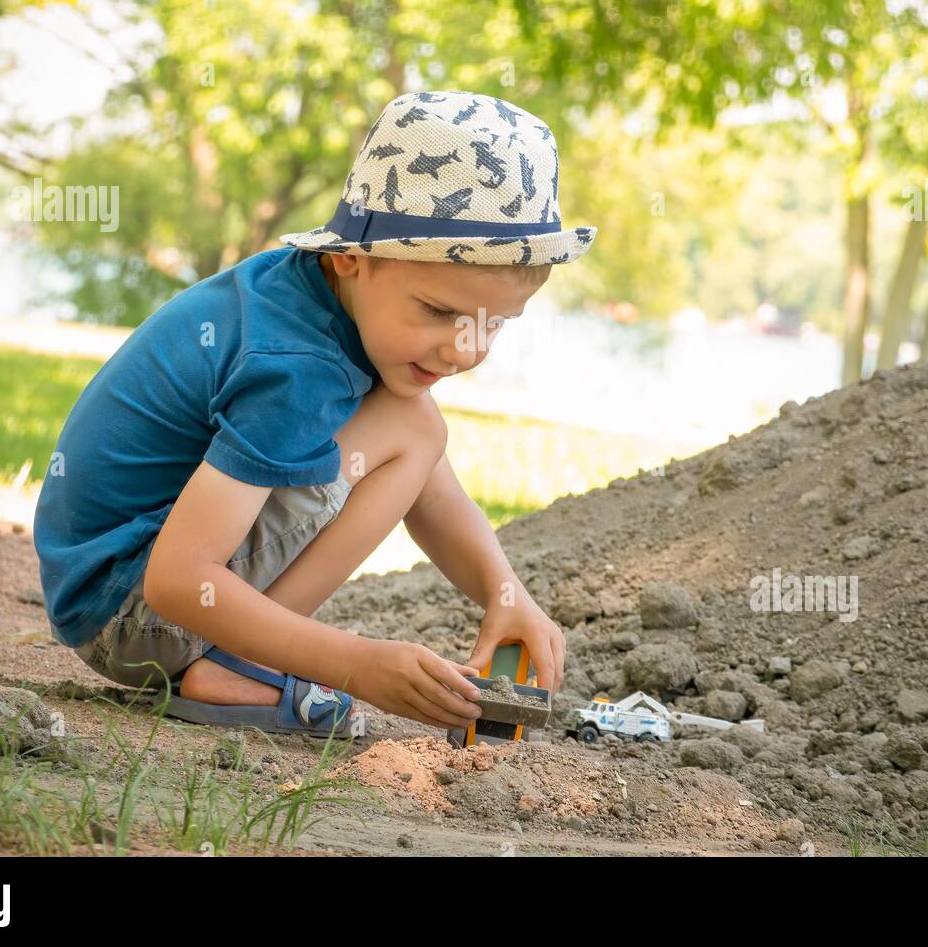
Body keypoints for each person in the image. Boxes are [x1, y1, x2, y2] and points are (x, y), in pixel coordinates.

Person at [33, 90, 597, 738]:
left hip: (114, 594)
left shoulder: (315, 300)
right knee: (414, 427)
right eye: (440, 313)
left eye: (493, 324)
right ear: (350, 259)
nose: (466, 348)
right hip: (131, 614)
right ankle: (236, 665)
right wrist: (357, 664)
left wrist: (507, 594)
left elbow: (431, 492)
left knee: (413, 427)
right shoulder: (296, 364)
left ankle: (234, 657)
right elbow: (178, 581)